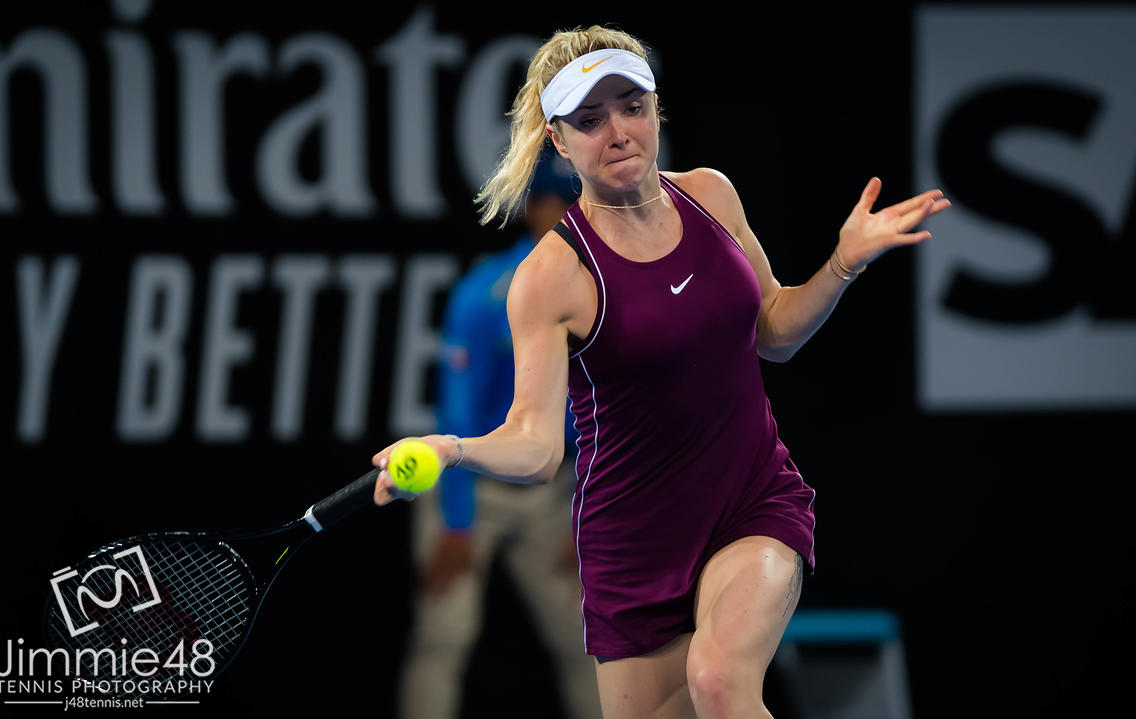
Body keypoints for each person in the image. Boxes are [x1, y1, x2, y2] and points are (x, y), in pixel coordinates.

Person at [374, 25, 950, 719]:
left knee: (719, 678)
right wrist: (451, 449)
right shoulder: (550, 277)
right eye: (590, 119)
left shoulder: (713, 196)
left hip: (750, 503)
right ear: (559, 140)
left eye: (632, 106)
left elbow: (775, 331)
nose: (618, 132)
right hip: (633, 550)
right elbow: (536, 446)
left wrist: (841, 265)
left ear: (655, 109)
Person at [398, 151, 600, 719]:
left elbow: (612, 413)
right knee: (443, 638)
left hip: (553, 495)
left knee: (591, 642)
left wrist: (587, 519)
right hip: (470, 487)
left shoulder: (605, 290)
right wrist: (455, 522)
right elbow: (458, 411)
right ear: (532, 208)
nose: (569, 216)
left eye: (579, 203)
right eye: (556, 203)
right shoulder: (485, 292)